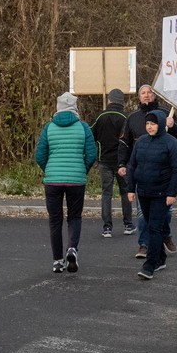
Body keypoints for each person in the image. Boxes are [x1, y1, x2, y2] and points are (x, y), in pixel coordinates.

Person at [118, 84, 177, 258]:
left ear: (154, 95)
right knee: (142, 213)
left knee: (166, 211)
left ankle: (165, 235)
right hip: (143, 173)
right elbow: (125, 143)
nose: (146, 95)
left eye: (149, 92)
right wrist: (122, 164)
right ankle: (144, 244)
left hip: (164, 173)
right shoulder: (132, 117)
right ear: (139, 97)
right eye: (143, 93)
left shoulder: (166, 113)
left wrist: (173, 125)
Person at [35, 92, 97, 274]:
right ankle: (72, 248)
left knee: (55, 220)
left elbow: (40, 155)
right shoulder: (83, 127)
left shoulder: (49, 128)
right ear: (75, 108)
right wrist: (81, 169)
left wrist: (50, 170)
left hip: (53, 181)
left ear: (58, 107)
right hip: (76, 180)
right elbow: (92, 154)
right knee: (74, 217)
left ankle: (57, 261)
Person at [126, 109, 177, 280]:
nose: (150, 127)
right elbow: (132, 166)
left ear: (160, 124)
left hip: (162, 192)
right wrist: (130, 188)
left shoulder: (171, 143)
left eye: (153, 124)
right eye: (148, 124)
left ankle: (150, 265)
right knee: (151, 224)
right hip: (143, 191)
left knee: (155, 227)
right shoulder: (141, 141)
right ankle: (161, 259)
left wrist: (172, 193)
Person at [90, 88, 133, 237]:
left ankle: (107, 227)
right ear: (122, 101)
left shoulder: (100, 117)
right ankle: (128, 224)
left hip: (104, 160)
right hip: (122, 161)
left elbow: (91, 135)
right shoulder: (126, 117)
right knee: (125, 192)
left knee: (106, 193)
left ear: (109, 100)